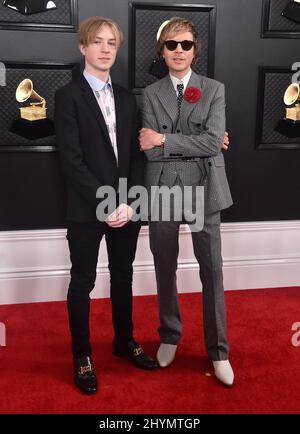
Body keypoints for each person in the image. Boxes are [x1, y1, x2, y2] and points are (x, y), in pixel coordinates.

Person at [55, 16, 159, 395]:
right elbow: (71, 160)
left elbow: (135, 155)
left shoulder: (128, 96)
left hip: (126, 209)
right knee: (82, 281)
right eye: (97, 42)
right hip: (87, 208)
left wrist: (130, 201)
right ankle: (81, 355)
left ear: (117, 49)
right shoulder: (68, 96)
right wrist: (107, 201)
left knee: (124, 275)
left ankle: (124, 340)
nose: (104, 49)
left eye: (111, 43)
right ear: (83, 47)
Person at [139, 17, 234, 386]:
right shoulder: (149, 94)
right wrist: (176, 146)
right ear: (162, 52)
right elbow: (147, 154)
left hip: (203, 187)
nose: (179, 51)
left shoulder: (214, 89)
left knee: (212, 271)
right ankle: (169, 335)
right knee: (165, 267)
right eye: (171, 45)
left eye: (186, 44)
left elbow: (212, 143)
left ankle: (219, 351)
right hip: (162, 189)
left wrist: (164, 141)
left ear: (195, 49)